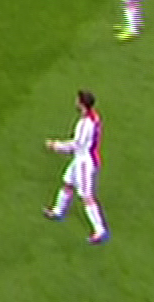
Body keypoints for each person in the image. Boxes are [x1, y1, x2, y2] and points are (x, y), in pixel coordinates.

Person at [44, 90, 110, 244]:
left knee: (87, 196)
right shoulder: (93, 117)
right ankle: (58, 211)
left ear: (82, 104)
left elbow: (76, 145)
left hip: (85, 162)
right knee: (68, 183)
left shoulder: (86, 124)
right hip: (80, 159)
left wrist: (56, 146)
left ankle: (100, 230)